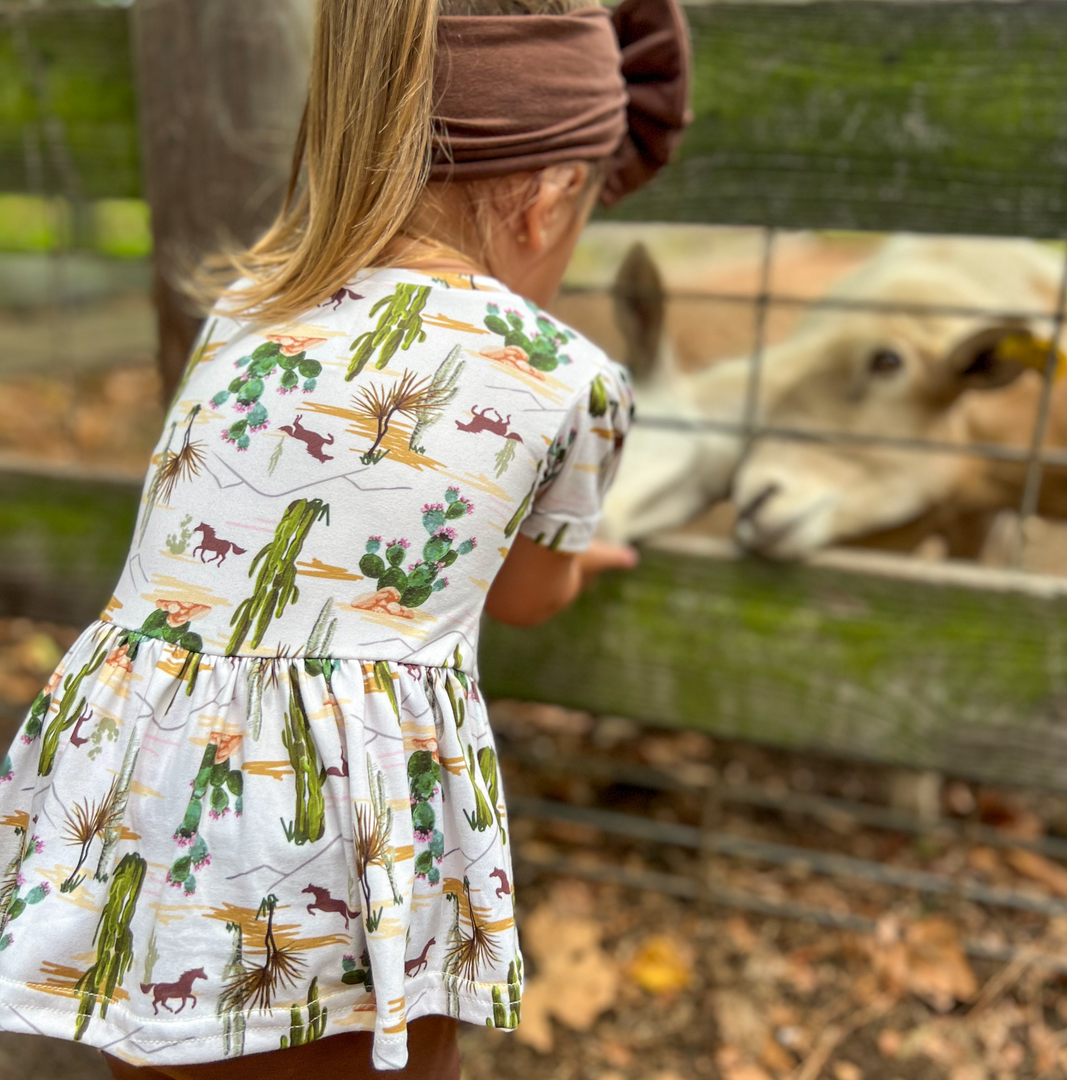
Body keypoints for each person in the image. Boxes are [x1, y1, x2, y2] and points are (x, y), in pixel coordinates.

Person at [0, 0, 689, 1076]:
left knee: (171, 1047)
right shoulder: (569, 377)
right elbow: (525, 594)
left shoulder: (247, 309)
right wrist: (565, 563)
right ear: (552, 197)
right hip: (338, 832)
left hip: (138, 805)